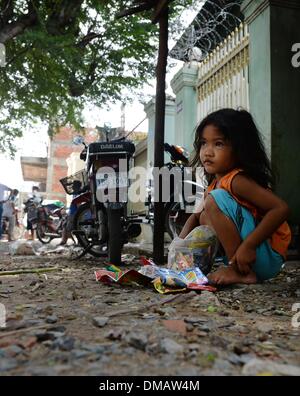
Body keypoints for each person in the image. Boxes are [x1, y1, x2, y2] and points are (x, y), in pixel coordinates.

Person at [179, 108, 291, 285]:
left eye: (218, 144)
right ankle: (224, 265)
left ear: (239, 148)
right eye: (203, 143)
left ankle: (238, 271)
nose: (207, 152)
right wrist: (178, 249)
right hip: (248, 256)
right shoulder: (213, 184)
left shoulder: (237, 180)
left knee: (214, 200)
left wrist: (249, 246)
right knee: (204, 213)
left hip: (263, 254)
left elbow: (281, 209)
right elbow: (194, 217)